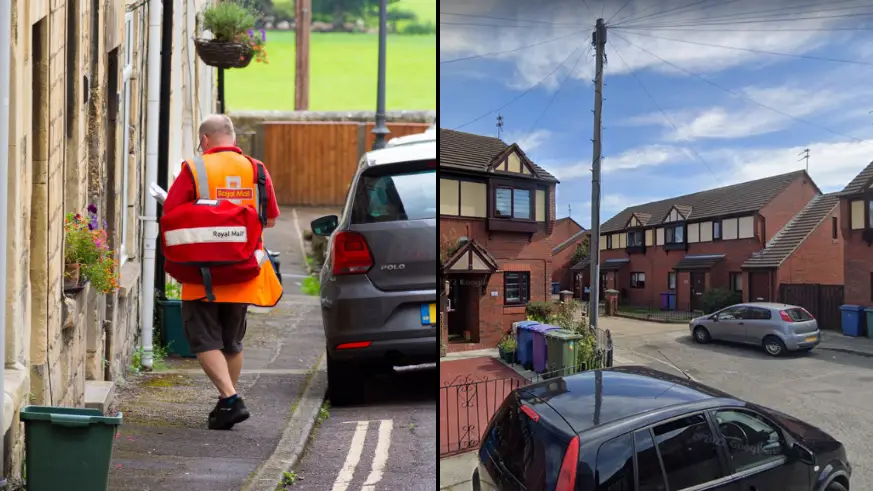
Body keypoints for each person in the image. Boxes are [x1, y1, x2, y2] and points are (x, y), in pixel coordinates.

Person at [163, 114, 282, 430]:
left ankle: (230, 399)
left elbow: (171, 214)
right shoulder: (256, 170)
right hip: (243, 270)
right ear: (232, 138)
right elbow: (270, 219)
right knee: (231, 341)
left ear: (204, 140)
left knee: (202, 339)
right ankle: (225, 403)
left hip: (202, 272)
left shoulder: (195, 168)